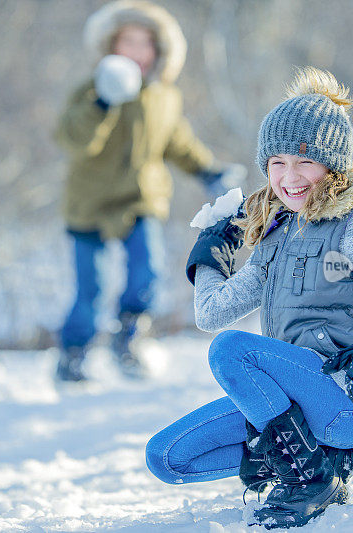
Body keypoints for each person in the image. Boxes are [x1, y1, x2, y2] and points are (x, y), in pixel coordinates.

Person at [146, 67, 353, 528]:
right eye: (276, 163)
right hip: (290, 404)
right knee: (168, 458)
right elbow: (213, 313)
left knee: (231, 349)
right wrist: (213, 256)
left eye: (304, 161)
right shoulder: (277, 236)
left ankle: (310, 479)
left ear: (332, 165)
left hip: (338, 396)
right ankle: (300, 462)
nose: (289, 177)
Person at [54, 0, 245, 382]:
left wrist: (208, 171)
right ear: (111, 47)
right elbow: (73, 139)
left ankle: (128, 338)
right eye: (128, 42)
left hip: (142, 199)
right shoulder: (89, 91)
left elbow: (178, 142)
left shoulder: (164, 95)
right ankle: (73, 353)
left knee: (147, 271)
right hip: (88, 203)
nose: (137, 52)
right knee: (90, 287)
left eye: (145, 44)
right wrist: (103, 102)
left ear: (159, 51)